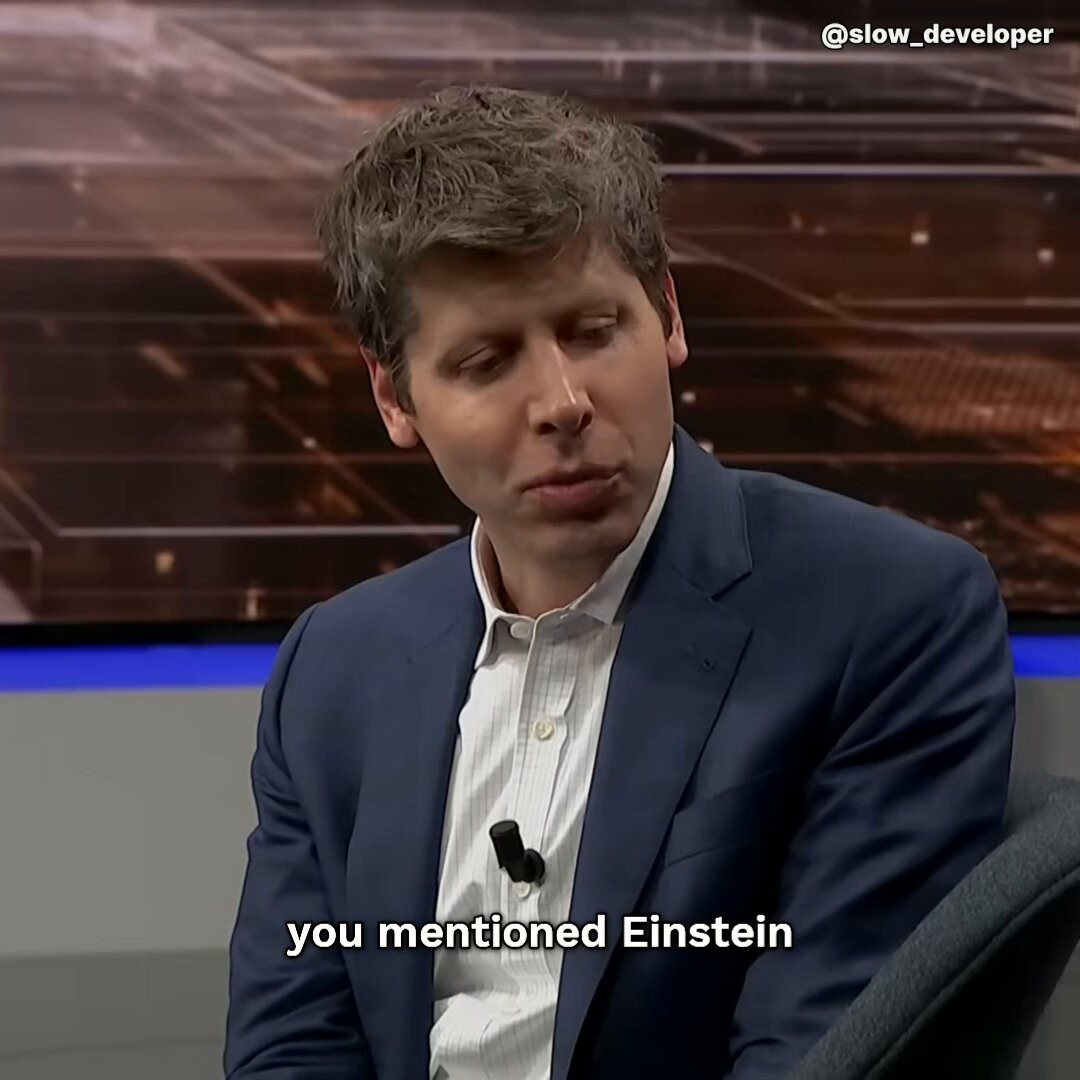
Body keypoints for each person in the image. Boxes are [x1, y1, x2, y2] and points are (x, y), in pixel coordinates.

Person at [224, 84, 1015, 1079]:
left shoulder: (889, 613)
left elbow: (822, 1056)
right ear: (395, 398)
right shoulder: (334, 667)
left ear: (668, 314)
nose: (563, 402)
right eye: (486, 361)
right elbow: (292, 1045)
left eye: (595, 330)